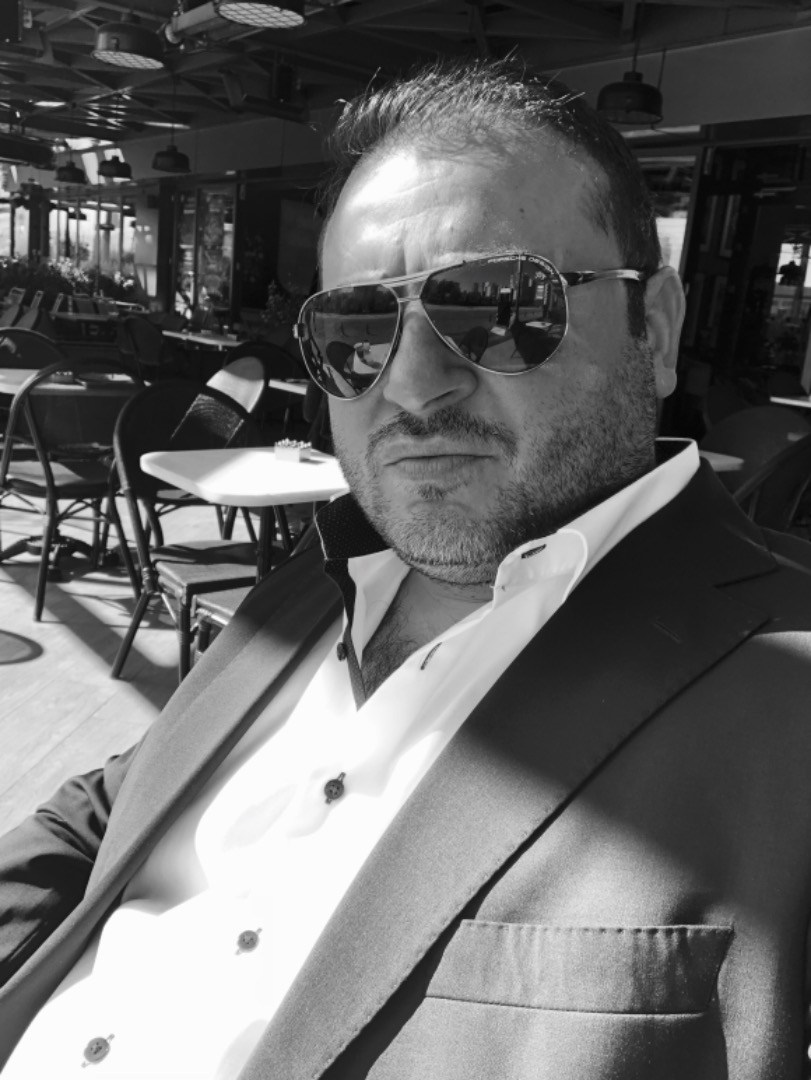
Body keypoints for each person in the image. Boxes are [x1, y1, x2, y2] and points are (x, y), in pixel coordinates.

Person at [2, 58, 811, 1080]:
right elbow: (117, 805)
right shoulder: (310, 584)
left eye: (496, 308)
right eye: (355, 330)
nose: (412, 386)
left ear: (652, 329)